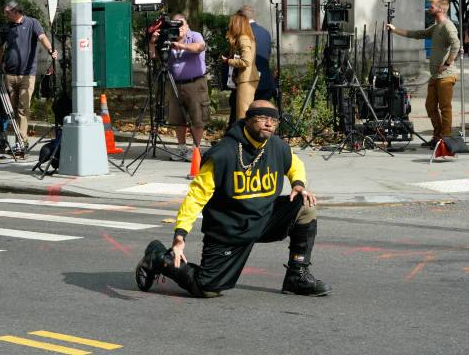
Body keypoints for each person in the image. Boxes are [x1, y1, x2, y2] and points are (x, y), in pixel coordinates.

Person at [135, 100, 331, 298]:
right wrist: (180, 235)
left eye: (273, 120)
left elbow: (294, 163)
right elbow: (196, 195)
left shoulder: (277, 147)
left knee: (305, 206)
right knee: (207, 288)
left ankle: (296, 276)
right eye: (262, 118)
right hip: (230, 229)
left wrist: (298, 184)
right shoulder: (223, 154)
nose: (269, 124)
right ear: (248, 120)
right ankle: (158, 257)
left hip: (263, 218)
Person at [387, 0, 460, 149]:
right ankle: (437, 136)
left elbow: (456, 45)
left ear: (440, 9)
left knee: (445, 108)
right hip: (435, 75)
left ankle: (444, 140)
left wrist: (447, 64)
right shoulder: (436, 27)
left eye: (431, 6)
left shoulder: (448, 26)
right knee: (430, 106)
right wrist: (395, 30)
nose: (428, 9)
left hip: (446, 76)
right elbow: (417, 34)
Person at [0, 0, 57, 150]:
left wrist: (50, 49)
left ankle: (21, 142)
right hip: (9, 74)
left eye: (7, 12)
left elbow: (42, 37)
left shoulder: (32, 23)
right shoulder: (7, 28)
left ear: (16, 12)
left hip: (27, 75)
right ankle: (19, 140)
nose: (5, 15)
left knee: (23, 108)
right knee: (13, 109)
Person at [149, 14, 209, 162]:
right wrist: (152, 42)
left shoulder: (195, 36)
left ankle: (196, 148)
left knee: (198, 118)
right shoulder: (168, 38)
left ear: (187, 26)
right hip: (174, 83)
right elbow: (154, 56)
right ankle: (181, 148)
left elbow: (199, 47)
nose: (179, 29)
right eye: (175, 26)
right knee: (177, 118)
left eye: (181, 25)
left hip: (195, 83)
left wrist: (180, 46)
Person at [222, 12, 259, 126]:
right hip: (245, 79)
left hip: (246, 79)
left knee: (242, 114)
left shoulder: (243, 38)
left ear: (237, 25)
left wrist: (228, 61)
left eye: (231, 23)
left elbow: (246, 61)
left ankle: (243, 142)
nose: (229, 26)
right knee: (241, 113)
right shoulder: (246, 37)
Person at [239, 5, 275, 102]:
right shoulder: (265, 33)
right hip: (264, 81)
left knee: (241, 114)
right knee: (261, 114)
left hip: (247, 81)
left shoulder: (240, 33)